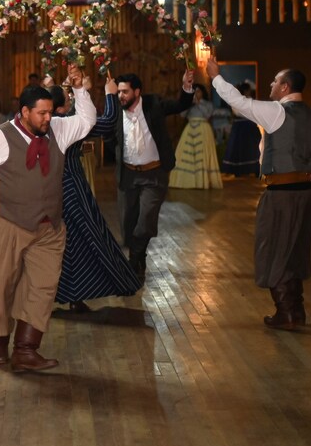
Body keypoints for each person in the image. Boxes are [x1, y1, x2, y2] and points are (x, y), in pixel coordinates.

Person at [0, 64, 95, 372]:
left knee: (43, 287)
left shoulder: (57, 130)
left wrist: (79, 90)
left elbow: (87, 120)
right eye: (41, 113)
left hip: (49, 227)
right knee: (0, 285)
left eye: (50, 112)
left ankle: (25, 349)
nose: (48, 118)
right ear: (24, 112)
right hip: (9, 222)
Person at [207, 58, 311, 330]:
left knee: (273, 248)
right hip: (305, 193)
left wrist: (215, 77)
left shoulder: (276, 112)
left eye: (275, 81)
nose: (271, 84)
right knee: (295, 250)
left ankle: (286, 313)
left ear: (285, 87)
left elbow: (239, 102)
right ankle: (295, 312)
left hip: (281, 193)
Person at [46, 78, 140, 312]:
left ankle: (58, 295)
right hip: (71, 188)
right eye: (68, 100)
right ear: (60, 108)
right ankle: (75, 295)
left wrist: (81, 93)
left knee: (59, 243)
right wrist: (110, 94)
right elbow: (107, 122)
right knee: (84, 239)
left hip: (47, 189)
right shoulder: (69, 124)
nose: (70, 102)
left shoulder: (42, 123)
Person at [111, 71, 194, 280]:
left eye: (125, 92)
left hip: (154, 174)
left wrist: (186, 87)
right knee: (128, 223)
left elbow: (181, 105)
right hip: (128, 175)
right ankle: (139, 256)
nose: (120, 96)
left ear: (137, 91)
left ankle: (134, 260)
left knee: (145, 220)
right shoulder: (115, 111)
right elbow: (106, 133)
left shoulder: (154, 104)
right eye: (118, 92)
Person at [170, 83, 223, 189]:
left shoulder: (208, 104)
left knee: (202, 154)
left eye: (198, 91)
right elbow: (182, 115)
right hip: (190, 128)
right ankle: (185, 182)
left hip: (203, 128)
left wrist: (198, 103)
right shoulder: (189, 103)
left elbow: (207, 114)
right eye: (194, 91)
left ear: (202, 92)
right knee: (185, 153)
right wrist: (189, 103)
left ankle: (201, 182)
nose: (196, 93)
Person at [221, 82, 261, 177]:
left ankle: (254, 169)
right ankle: (238, 170)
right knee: (240, 147)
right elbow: (238, 113)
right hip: (241, 126)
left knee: (251, 147)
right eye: (248, 90)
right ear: (245, 91)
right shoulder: (237, 100)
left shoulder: (249, 100)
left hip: (248, 126)